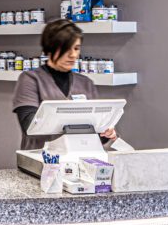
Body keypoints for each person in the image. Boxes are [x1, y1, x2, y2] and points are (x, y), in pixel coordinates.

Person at [11, 19, 118, 150]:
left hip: (79, 157)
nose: (73, 55)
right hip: (43, 158)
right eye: (66, 48)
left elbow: (97, 133)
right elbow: (30, 127)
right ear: (50, 48)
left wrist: (106, 132)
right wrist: (79, 122)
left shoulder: (86, 83)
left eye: (76, 48)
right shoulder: (30, 80)